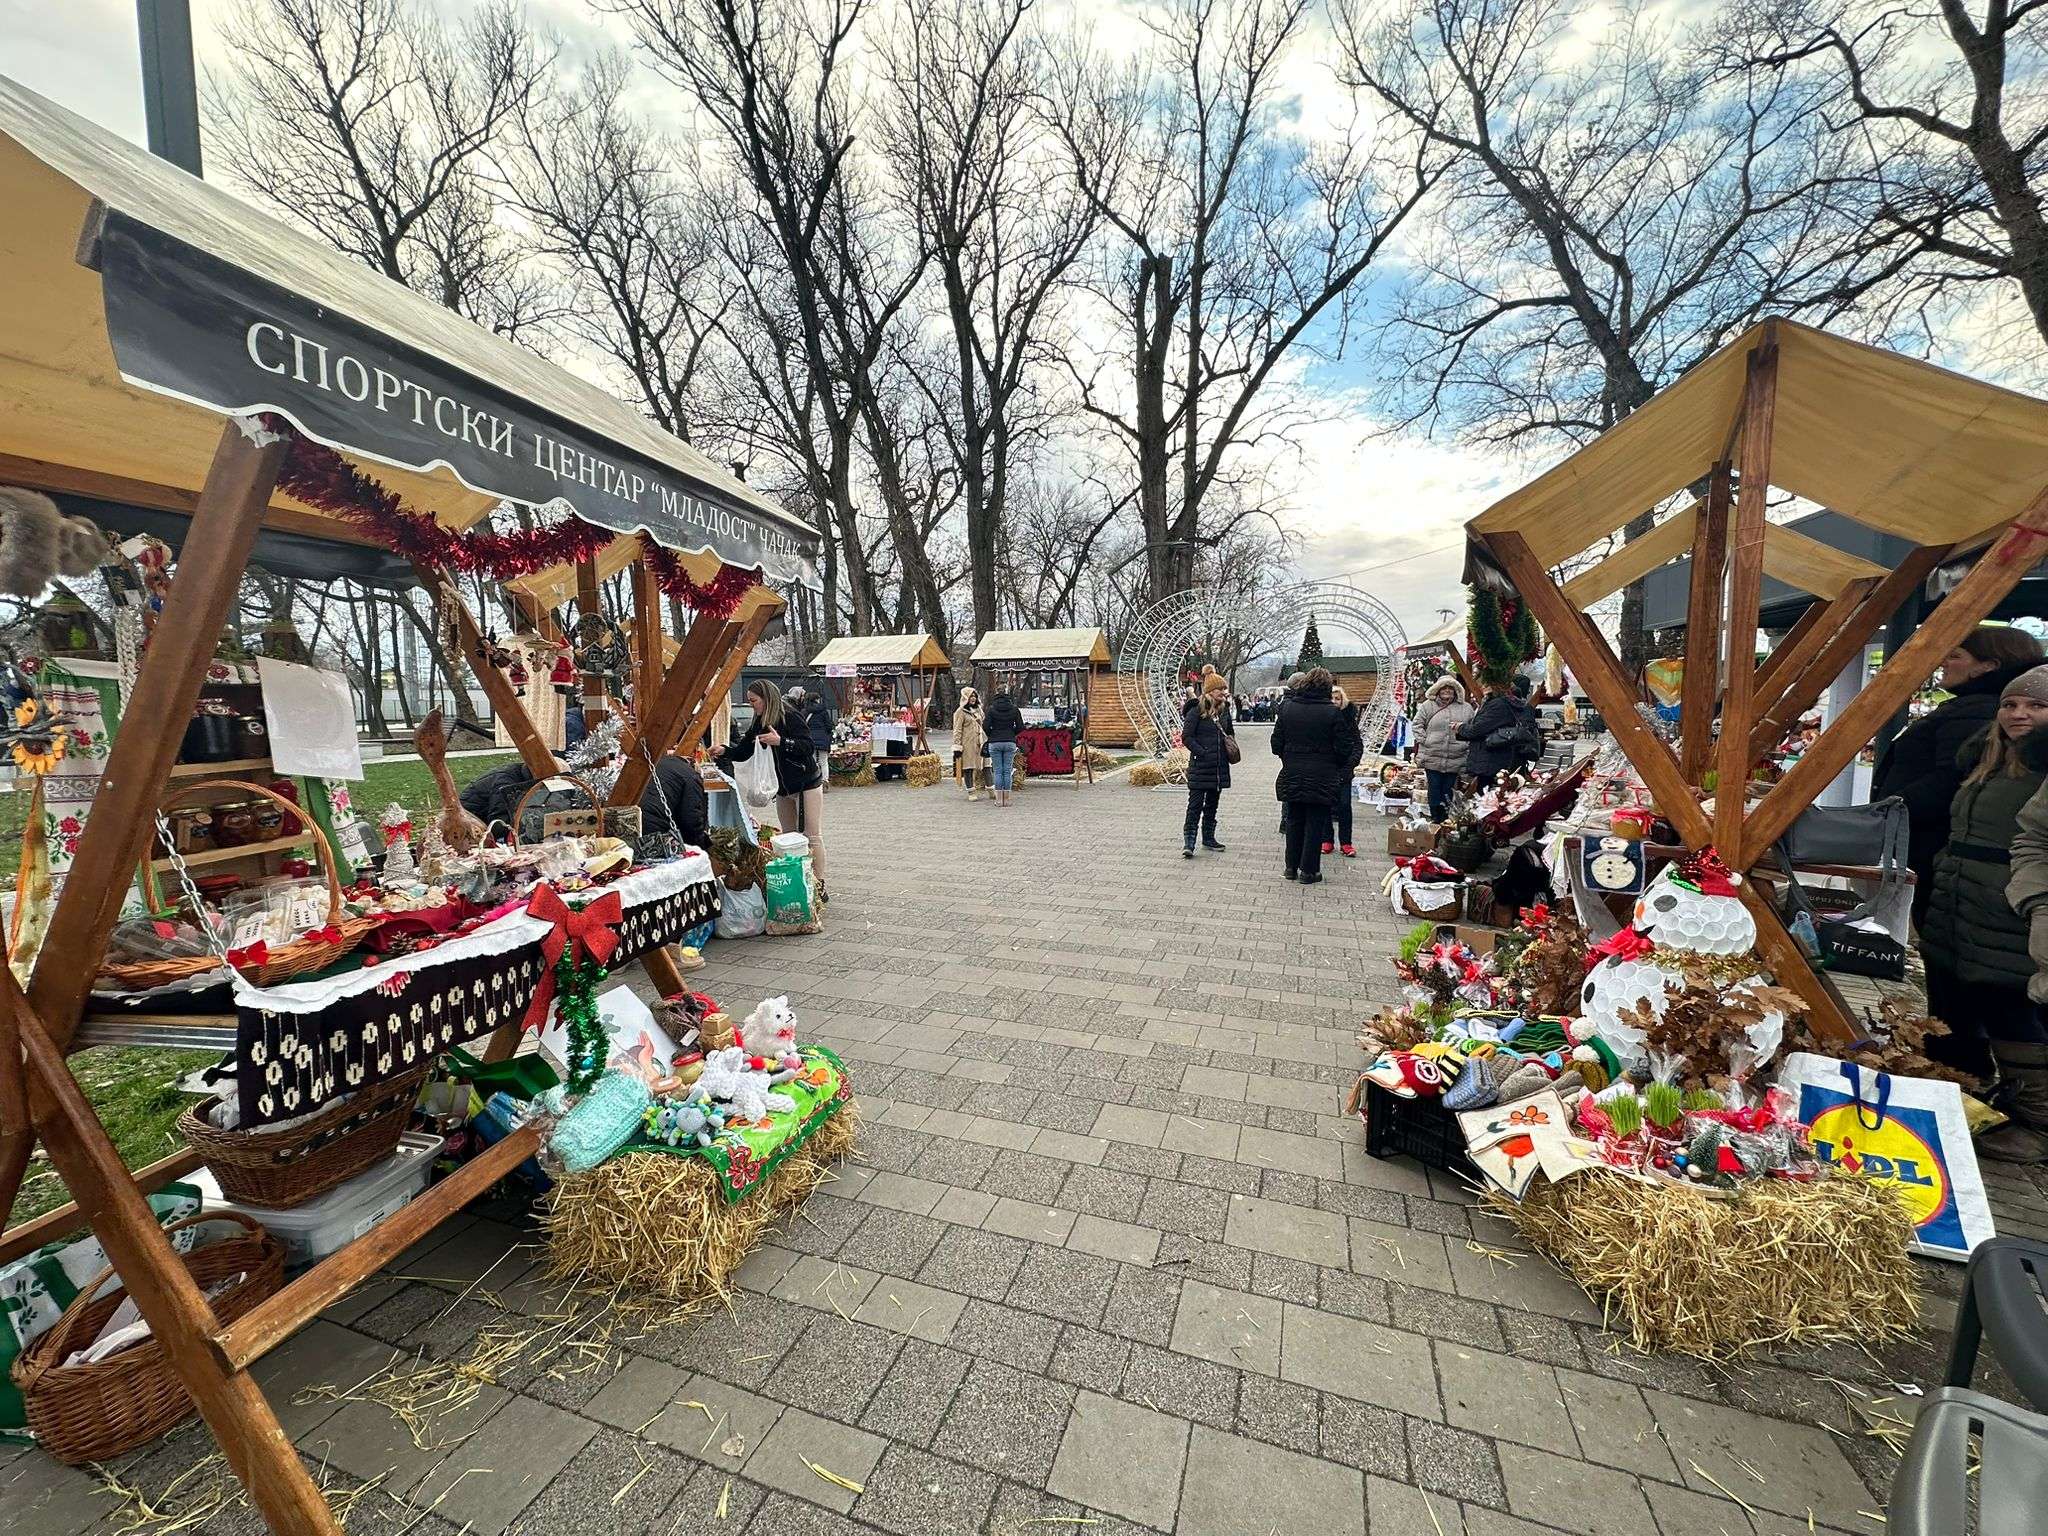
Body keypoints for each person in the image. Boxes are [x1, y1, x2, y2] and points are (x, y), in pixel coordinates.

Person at [1918, 665, 2048, 1161]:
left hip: (2011, 906)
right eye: (2011, 704)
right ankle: (1972, 1094)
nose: (2018, 714)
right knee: (1959, 1002)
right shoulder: (1986, 760)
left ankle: (2037, 1125)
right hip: (1961, 900)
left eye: (2036, 705)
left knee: (2012, 1012)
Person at [1875, 624, 2045, 925]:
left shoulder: (1974, 713)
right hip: (1957, 876)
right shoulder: (1973, 715)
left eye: (1955, 655)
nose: (1943, 662)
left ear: (1988, 665)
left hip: (1971, 880)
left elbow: (1946, 782)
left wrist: (1885, 810)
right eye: (2011, 705)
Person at [715, 679, 828, 898]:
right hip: (783, 788)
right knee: (789, 835)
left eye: (754, 701)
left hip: (806, 784)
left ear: (766, 698)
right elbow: (745, 750)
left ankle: (819, 883)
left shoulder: (790, 715)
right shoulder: (759, 720)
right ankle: (799, 882)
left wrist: (781, 742)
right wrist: (724, 750)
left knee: (811, 835)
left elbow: (807, 747)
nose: (752, 705)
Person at [1271, 667, 1350, 884]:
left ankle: (1290, 867)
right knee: (1315, 822)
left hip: (1293, 771)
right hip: (1323, 774)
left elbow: (1276, 743)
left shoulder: (1287, 708)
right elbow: (1344, 748)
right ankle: (1308, 870)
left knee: (1294, 819)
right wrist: (1334, 764)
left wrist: (1289, 757)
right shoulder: (1332, 712)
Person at [1181, 672, 1236, 856]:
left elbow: (1229, 731)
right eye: (1221, 689)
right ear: (1211, 691)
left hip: (1219, 767)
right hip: (1200, 766)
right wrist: (1202, 753)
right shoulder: (1196, 710)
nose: (1224, 692)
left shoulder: (1224, 710)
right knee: (1195, 805)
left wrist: (1231, 748)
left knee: (1212, 804)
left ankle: (1208, 838)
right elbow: (1187, 737)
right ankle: (1189, 842)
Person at [1413, 677, 1473, 821]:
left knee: (1448, 790)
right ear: (1438, 690)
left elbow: (1472, 728)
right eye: (1444, 688)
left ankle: (1445, 818)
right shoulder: (1428, 706)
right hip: (1432, 755)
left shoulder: (1466, 708)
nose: (1447, 691)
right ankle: (1435, 818)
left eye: (1450, 688)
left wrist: (1466, 744)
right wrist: (1425, 740)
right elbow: (1417, 724)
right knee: (1434, 788)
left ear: (1456, 691)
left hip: (1455, 756)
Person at [1458, 679, 1522, 788]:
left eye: (1487, 683)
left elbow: (1478, 729)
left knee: (1486, 793)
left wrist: (1460, 727)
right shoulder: (1497, 702)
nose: (1483, 686)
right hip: (1493, 755)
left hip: (1489, 756)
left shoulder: (1497, 704)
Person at [1324, 685, 1363, 859]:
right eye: (1331, 698)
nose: (1334, 701)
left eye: (1337, 698)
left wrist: (1351, 764)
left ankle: (1346, 842)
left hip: (1345, 769)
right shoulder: (1322, 718)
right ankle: (1327, 840)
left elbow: (1357, 744)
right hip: (1326, 768)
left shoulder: (1349, 719)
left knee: (1345, 806)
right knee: (1325, 805)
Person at [649, 748, 710, 849]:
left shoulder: (660, 762)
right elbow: (691, 819)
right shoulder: (691, 776)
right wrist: (701, 847)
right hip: (655, 831)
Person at [983, 688, 1023, 807]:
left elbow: (985, 726)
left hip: (995, 742)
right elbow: (1021, 726)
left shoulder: (991, 709)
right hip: (1010, 742)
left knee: (998, 771)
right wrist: (1012, 733)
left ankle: (999, 800)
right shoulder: (1014, 709)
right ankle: (1007, 800)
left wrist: (992, 734)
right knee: (1007, 770)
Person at [953, 685, 990, 800]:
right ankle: (971, 792)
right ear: (966, 698)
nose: (973, 698)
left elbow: (985, 725)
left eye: (974, 696)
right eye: (970, 696)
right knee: (968, 767)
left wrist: (981, 722)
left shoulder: (979, 709)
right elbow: (957, 730)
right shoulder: (960, 712)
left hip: (981, 742)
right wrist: (957, 747)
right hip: (968, 744)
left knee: (987, 766)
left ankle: (991, 790)